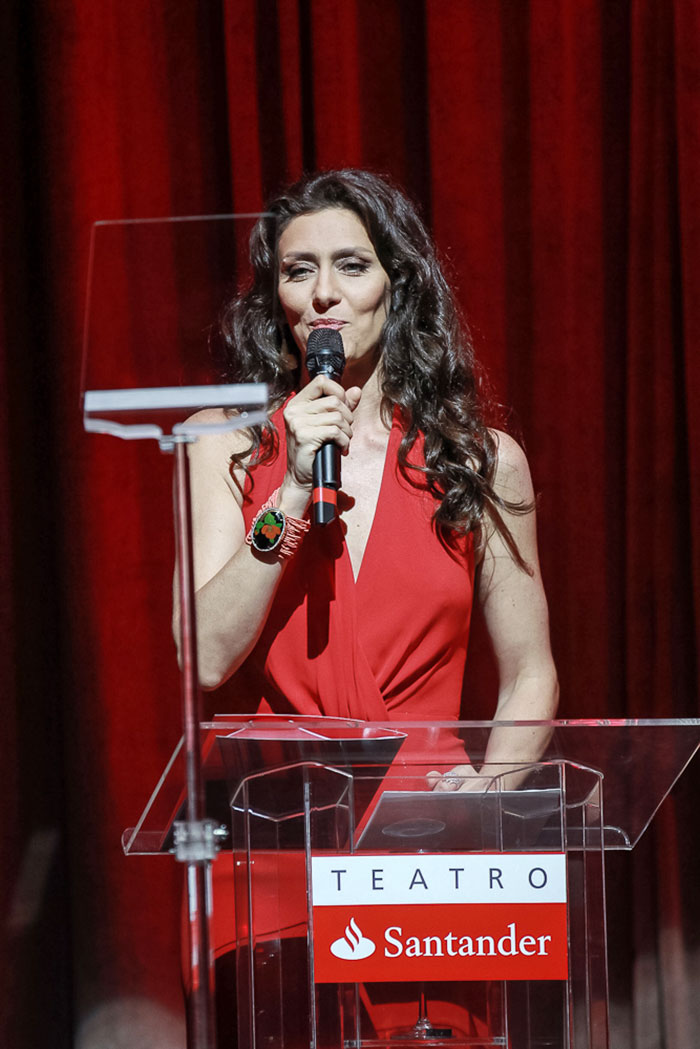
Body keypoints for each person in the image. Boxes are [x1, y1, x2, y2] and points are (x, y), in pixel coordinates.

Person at [174, 168, 558, 1041]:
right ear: (274, 294)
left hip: (429, 849)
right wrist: (287, 496)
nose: (322, 294)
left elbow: (531, 671)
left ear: (398, 281)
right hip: (283, 831)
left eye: (350, 264)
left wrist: (490, 793)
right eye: (296, 269)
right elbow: (203, 653)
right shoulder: (225, 450)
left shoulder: (480, 461)